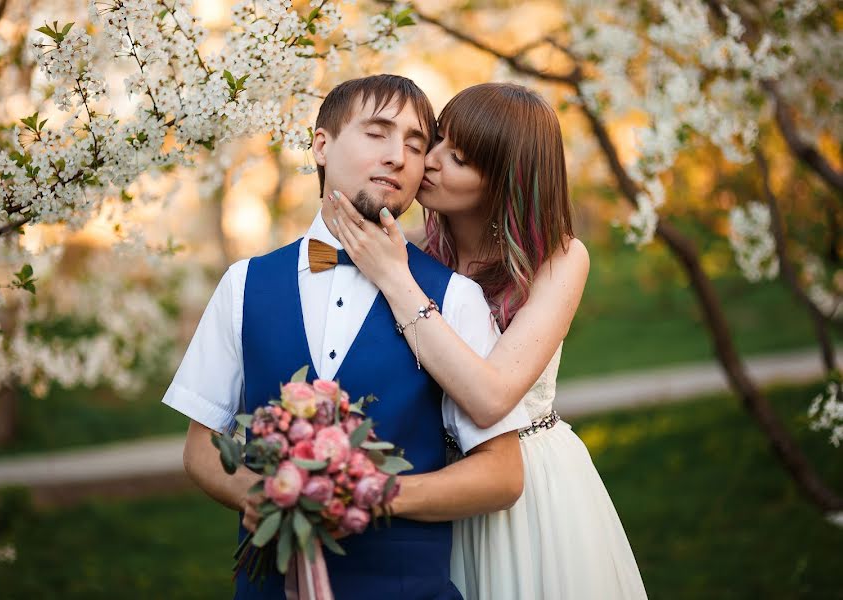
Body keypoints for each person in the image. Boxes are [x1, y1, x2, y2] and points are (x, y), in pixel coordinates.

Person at [162, 75, 531, 600]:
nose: (398, 156)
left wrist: (375, 493)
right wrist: (265, 497)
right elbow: (202, 447)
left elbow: (501, 475)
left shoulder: (456, 298)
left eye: (415, 144)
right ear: (321, 144)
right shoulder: (243, 284)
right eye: (377, 133)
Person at [331, 82, 648, 599]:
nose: (427, 161)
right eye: (434, 141)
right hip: (437, 484)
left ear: (505, 181)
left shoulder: (560, 261)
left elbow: (491, 397)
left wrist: (395, 280)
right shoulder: (407, 252)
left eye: (456, 158)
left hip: (527, 487)